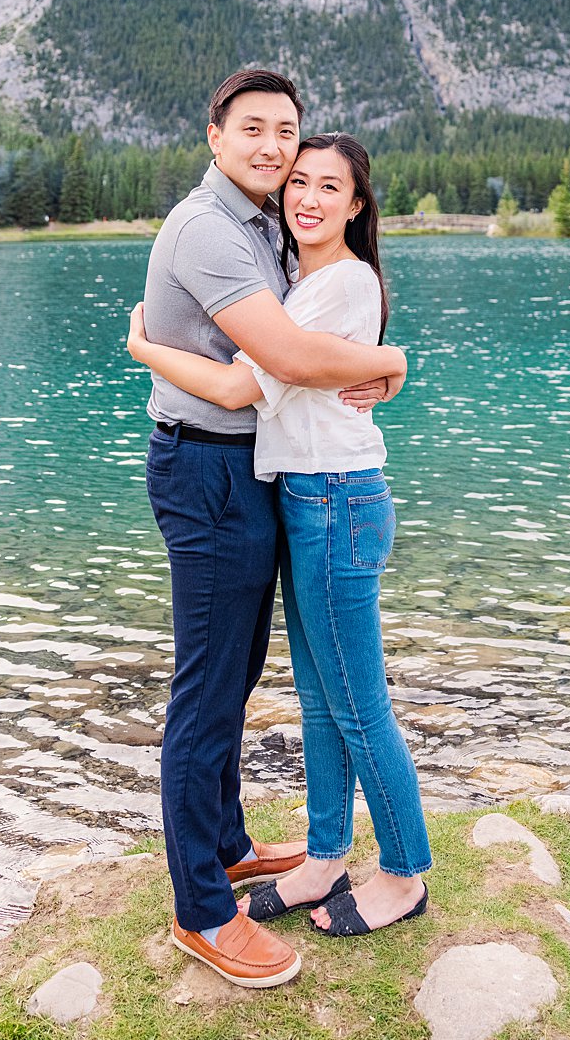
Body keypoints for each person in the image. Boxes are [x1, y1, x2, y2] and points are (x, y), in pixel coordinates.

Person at [141, 72, 409, 986]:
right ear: (213, 132)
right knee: (208, 690)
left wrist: (390, 359)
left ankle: (223, 843)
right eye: (252, 129)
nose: (272, 148)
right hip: (207, 466)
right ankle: (202, 911)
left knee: (237, 670)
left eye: (284, 133)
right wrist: (393, 356)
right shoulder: (211, 228)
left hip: (254, 469)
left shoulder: (265, 223)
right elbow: (286, 358)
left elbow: (312, 335)